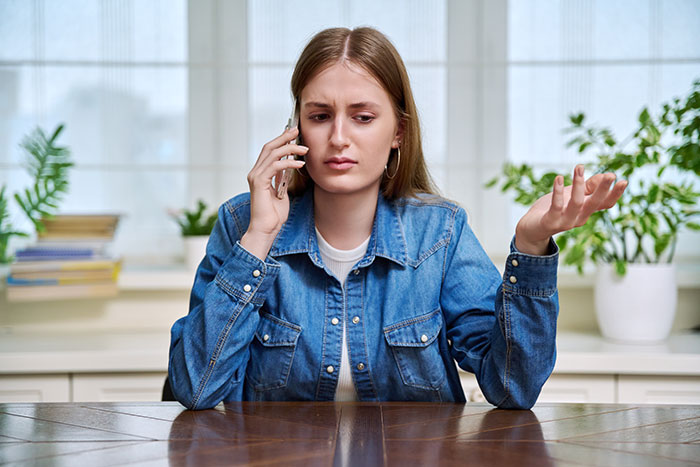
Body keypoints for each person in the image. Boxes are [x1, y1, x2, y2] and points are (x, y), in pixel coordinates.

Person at [168, 27, 627, 410]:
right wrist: (259, 237)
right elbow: (196, 388)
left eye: (363, 117)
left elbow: (513, 388)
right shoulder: (242, 223)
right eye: (321, 115)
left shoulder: (439, 232)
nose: (340, 137)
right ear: (298, 128)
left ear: (398, 132)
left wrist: (530, 247)